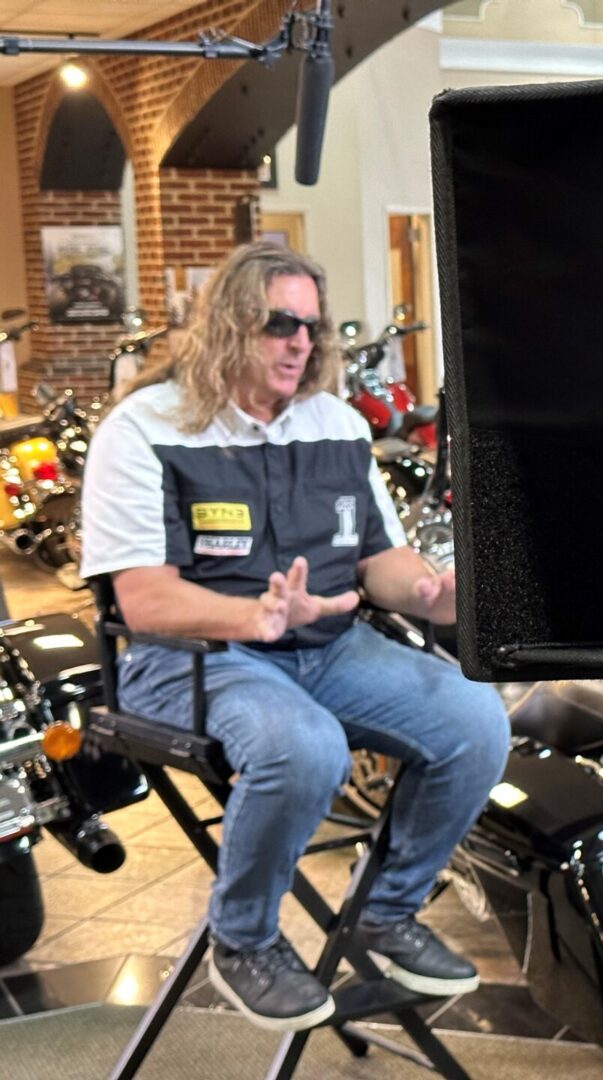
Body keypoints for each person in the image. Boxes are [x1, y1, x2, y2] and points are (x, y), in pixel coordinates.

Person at [80, 242, 510, 1032]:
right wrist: (252, 617)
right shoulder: (143, 428)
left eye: (310, 327)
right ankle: (242, 940)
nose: (301, 343)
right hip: (195, 660)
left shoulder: (336, 424)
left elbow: (378, 557)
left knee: (476, 720)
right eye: (280, 323)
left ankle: (385, 910)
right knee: (306, 748)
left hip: (330, 650)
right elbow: (141, 601)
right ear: (228, 325)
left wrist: (424, 590)